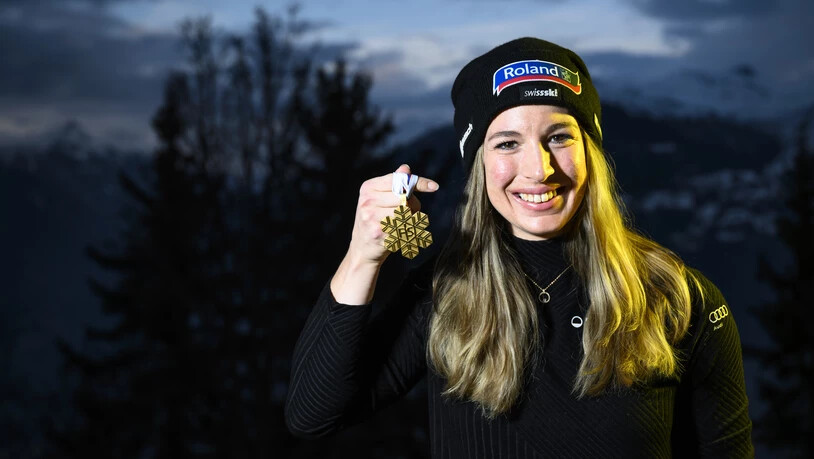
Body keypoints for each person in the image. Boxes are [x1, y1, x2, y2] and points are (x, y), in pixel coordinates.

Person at [285, 37, 753, 458]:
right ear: (479, 165)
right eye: (507, 143)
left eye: (559, 137)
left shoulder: (679, 297)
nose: (538, 168)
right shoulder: (444, 293)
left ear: (590, 150)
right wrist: (362, 256)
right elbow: (313, 415)